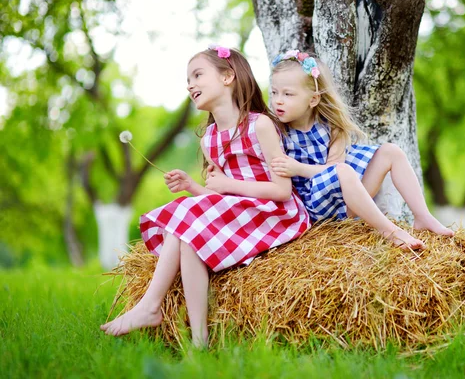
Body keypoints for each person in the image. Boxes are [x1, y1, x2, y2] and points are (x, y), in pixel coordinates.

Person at [100, 45, 311, 347]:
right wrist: (191, 185)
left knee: (187, 219)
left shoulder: (259, 125)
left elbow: (282, 190)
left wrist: (224, 185)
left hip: (276, 213)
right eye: (188, 79)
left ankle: (150, 305)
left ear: (227, 77)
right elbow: (217, 197)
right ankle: (199, 341)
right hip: (242, 211)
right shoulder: (210, 138)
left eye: (198, 75)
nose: (190, 84)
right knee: (188, 231)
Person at [268, 50, 453, 250]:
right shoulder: (276, 131)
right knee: (343, 170)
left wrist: (298, 168)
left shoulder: (331, 126)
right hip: (315, 210)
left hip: (346, 203)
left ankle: (423, 216)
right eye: (274, 92)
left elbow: (334, 167)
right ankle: (390, 231)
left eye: (288, 94)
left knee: (391, 151)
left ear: (313, 100)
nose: (278, 100)